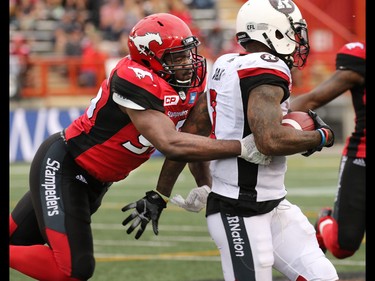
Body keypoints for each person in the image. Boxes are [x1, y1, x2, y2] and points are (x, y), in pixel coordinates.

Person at [9, 13, 268, 281]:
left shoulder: (188, 82)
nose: (188, 63)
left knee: (15, 239)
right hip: (65, 166)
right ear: (149, 57)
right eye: (176, 57)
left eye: (189, 53)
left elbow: (191, 136)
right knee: (73, 269)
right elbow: (171, 143)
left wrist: (202, 185)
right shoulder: (133, 78)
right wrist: (241, 147)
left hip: (95, 182)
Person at [162, 0, 339, 280]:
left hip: (273, 203)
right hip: (239, 209)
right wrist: (320, 136)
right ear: (274, 32)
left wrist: (161, 192)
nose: (297, 40)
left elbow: (191, 132)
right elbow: (269, 141)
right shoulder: (267, 68)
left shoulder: (225, 64)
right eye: (292, 31)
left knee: (323, 276)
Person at [290, 41, 366, 259]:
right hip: (362, 157)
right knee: (343, 246)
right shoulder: (359, 59)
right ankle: (325, 219)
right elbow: (314, 98)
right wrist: (268, 122)